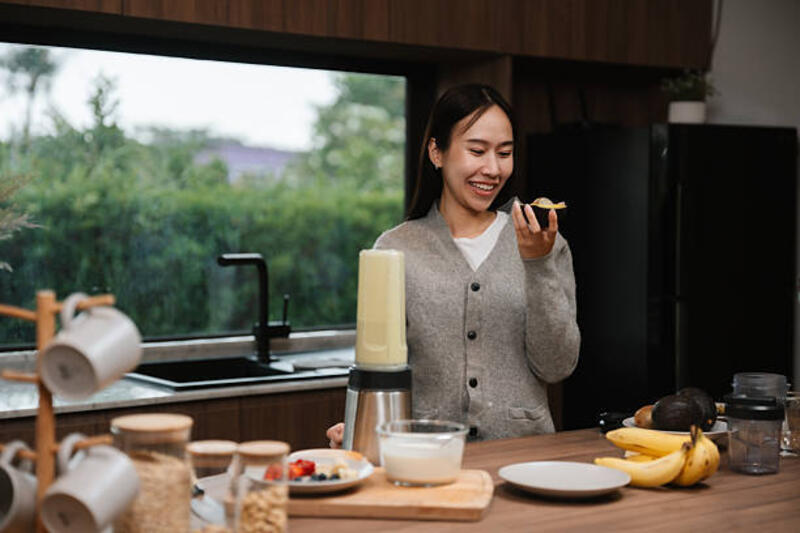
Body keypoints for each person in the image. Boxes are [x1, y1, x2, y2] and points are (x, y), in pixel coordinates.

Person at [327, 84, 579, 446]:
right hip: (422, 454)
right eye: (477, 150)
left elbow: (557, 366)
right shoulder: (397, 249)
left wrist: (537, 265)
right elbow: (378, 366)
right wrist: (361, 427)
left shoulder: (544, 244)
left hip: (523, 456)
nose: (492, 169)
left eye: (505, 153)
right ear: (437, 152)